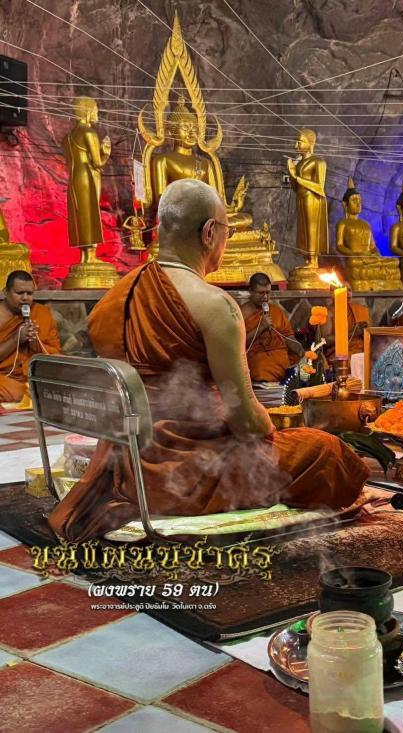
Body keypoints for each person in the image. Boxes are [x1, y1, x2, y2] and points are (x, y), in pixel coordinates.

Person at [48, 180, 369, 542]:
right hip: (186, 473)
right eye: (227, 232)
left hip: (125, 466)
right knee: (326, 451)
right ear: (209, 232)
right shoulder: (215, 305)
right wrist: (274, 428)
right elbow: (246, 422)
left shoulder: (117, 295)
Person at [0, 271, 61, 402]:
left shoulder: (41, 313)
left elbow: (54, 353)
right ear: (6, 292)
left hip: (34, 374)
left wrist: (34, 342)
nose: (25, 298)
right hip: (4, 377)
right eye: (19, 293)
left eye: (29, 293)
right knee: (14, 391)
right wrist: (16, 338)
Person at [242, 273, 303, 382]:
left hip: (281, 356)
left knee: (312, 361)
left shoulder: (276, 311)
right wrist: (261, 327)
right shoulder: (242, 314)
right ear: (251, 291)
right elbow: (239, 344)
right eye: (261, 293)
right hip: (259, 357)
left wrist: (300, 350)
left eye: (268, 292)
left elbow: (288, 336)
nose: (265, 297)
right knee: (262, 369)